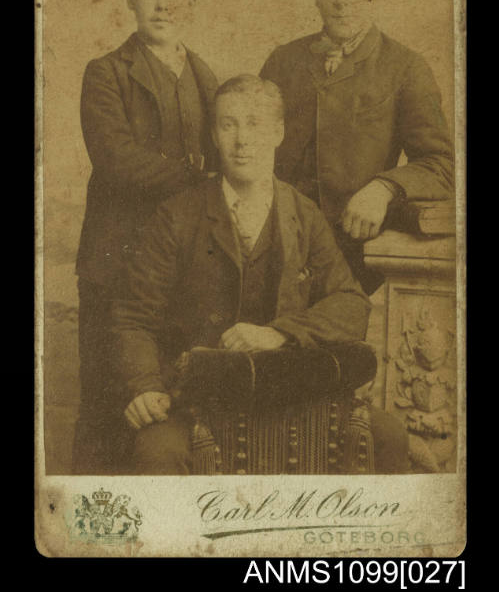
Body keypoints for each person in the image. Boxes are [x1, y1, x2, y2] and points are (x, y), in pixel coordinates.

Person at [111, 75, 408, 474]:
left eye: (254, 124)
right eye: (228, 124)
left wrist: (279, 332)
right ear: (214, 135)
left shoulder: (304, 214)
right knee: (158, 453)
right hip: (199, 398)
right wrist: (144, 387)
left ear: (278, 132)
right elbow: (134, 316)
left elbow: (351, 305)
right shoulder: (177, 214)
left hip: (292, 392)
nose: (242, 140)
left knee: (387, 435)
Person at [74, 0, 219, 473]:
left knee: (161, 409)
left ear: (192, 1)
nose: (163, 4)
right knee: (106, 410)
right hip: (114, 269)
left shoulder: (205, 77)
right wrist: (199, 177)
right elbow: (118, 163)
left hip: (174, 275)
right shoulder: (106, 73)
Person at [260, 0, 454, 293]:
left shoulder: (406, 67)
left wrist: (384, 188)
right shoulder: (282, 61)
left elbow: (440, 164)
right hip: (276, 248)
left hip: (353, 254)